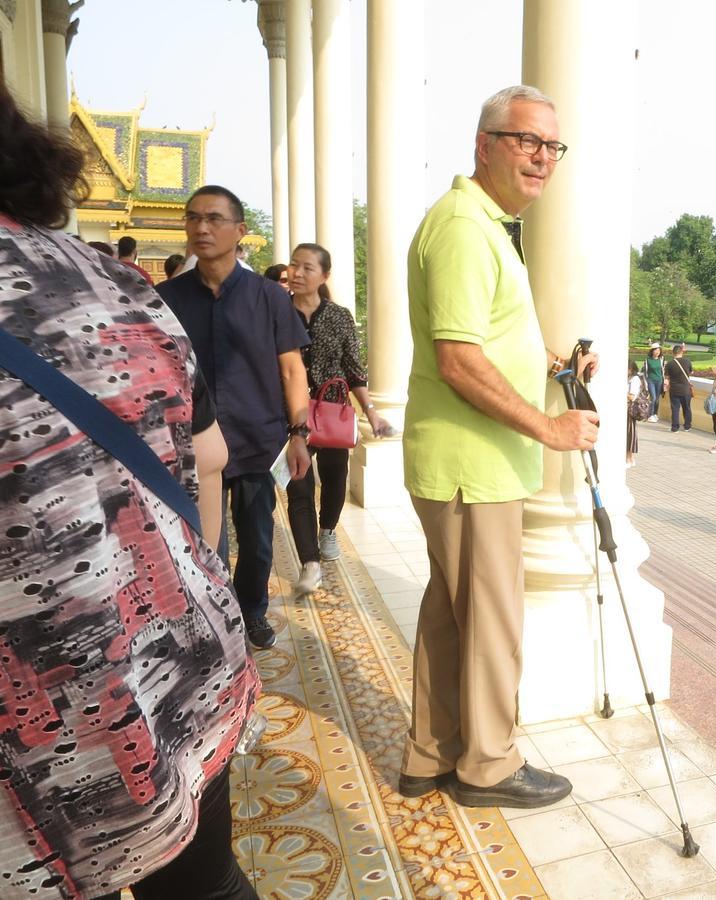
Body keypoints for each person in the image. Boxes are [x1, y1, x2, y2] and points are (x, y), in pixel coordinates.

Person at [0, 83, 257, 898]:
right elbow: (204, 455)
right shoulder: (119, 286)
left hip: (44, 761)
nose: (198, 229)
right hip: (181, 675)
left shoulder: (253, 297)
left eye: (215, 219)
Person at [400, 85, 599, 809]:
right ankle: (488, 764)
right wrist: (550, 428)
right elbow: (456, 358)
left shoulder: (485, 223)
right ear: (484, 145)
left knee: (453, 615)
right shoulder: (462, 226)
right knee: (491, 619)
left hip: (465, 463)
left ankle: (430, 755)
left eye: (553, 146)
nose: (543, 158)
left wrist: (552, 369)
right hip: (470, 466)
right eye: (527, 141)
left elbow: (483, 338)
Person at [158, 184, 312, 651]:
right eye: (192, 218)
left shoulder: (269, 297)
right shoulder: (166, 298)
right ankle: (213, 617)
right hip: (192, 445)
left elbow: (291, 368)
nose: (201, 228)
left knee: (257, 539)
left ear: (239, 231)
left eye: (213, 219)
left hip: (256, 439)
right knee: (204, 542)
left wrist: (300, 433)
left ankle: (252, 612)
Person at [286, 242, 391, 594]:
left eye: (307, 268)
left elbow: (353, 369)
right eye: (293, 265)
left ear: (324, 275)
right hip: (288, 415)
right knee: (297, 485)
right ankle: (309, 562)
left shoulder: (339, 316)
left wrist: (371, 411)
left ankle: (328, 529)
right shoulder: (276, 312)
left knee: (334, 478)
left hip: (331, 410)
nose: (297, 273)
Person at [664, 343, 694, 432]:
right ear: (682, 352)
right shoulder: (687, 361)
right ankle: (687, 426)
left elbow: (666, 377)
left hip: (674, 389)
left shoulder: (669, 364)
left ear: (673, 353)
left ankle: (675, 427)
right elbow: (691, 372)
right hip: (686, 389)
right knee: (687, 408)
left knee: (675, 409)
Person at [626, 358, 641, 468]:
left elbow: (632, 396)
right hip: (625, 409)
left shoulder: (635, 379)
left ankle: (629, 458)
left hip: (630, 411)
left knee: (629, 435)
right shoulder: (628, 378)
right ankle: (628, 458)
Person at [644, 342, 664, 422]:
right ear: (652, 351)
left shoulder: (661, 359)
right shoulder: (648, 360)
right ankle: (650, 414)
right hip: (651, 380)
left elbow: (663, 370)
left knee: (657, 399)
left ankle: (655, 414)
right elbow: (645, 371)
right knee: (653, 397)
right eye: (656, 350)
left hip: (659, 381)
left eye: (659, 350)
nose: (657, 352)